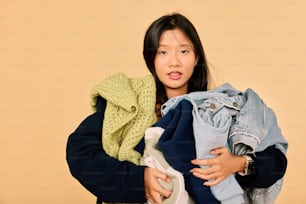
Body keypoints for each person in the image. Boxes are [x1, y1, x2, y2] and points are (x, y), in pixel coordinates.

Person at [66, 13, 287, 204]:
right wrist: (138, 179)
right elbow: (80, 154)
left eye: (183, 51)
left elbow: (276, 162)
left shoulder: (217, 109)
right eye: (163, 52)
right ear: (151, 58)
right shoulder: (126, 101)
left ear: (196, 57)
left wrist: (237, 164)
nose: (174, 62)